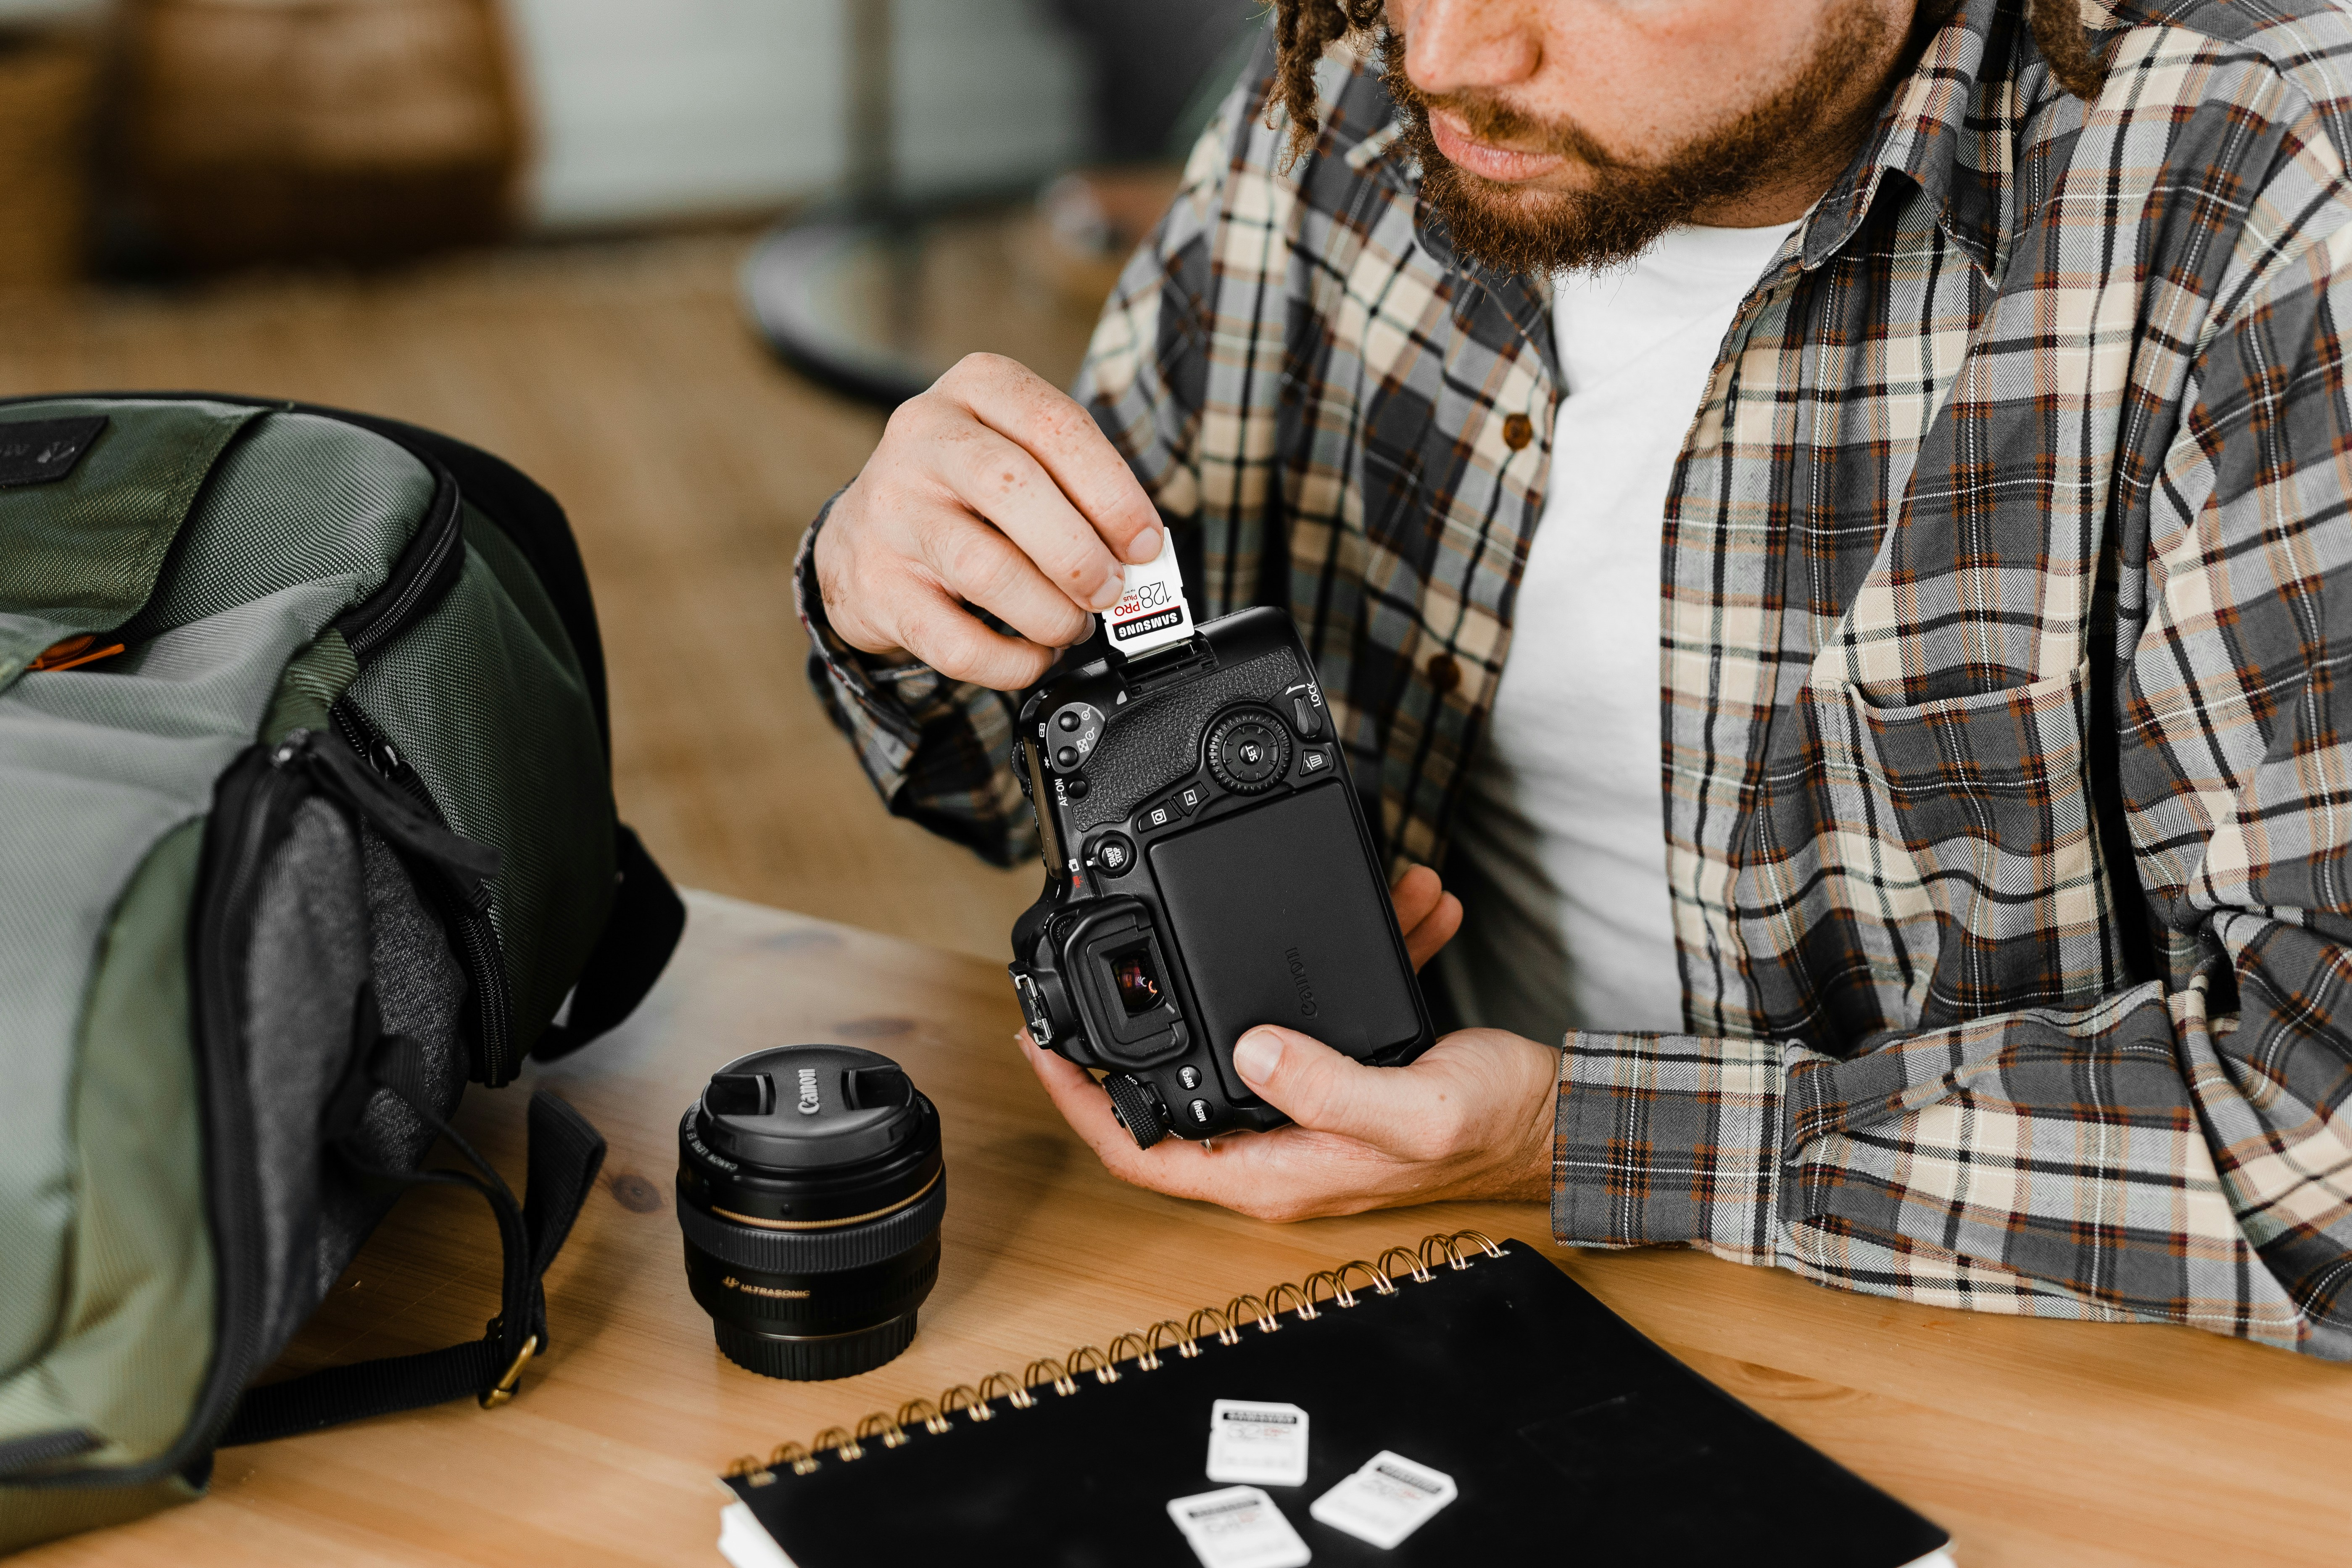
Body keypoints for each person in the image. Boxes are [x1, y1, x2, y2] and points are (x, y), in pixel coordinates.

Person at [799, 0, 2352, 1358]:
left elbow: (2326, 1144)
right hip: (1377, 1269)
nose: (1447, 55)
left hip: (2027, 1367)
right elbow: (1046, 784)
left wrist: (1577, 1135)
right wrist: (895, 591)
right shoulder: (1351, 95)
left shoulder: (2266, 184)